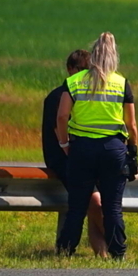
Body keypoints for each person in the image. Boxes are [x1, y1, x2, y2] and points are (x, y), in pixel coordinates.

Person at [55, 32, 138, 259]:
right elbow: (131, 124)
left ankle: (65, 251)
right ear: (114, 57)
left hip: (81, 149)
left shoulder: (74, 82)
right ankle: (118, 254)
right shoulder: (121, 83)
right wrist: (133, 151)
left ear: (93, 56)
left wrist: (64, 143)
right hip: (113, 149)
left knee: (77, 207)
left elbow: (62, 116)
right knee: (112, 207)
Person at [42, 50, 108, 258]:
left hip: (85, 155)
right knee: (94, 201)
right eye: (81, 70)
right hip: (63, 157)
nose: (85, 75)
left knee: (93, 203)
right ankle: (116, 242)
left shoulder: (88, 96)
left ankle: (103, 255)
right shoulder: (58, 96)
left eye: (89, 71)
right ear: (70, 70)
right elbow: (60, 129)